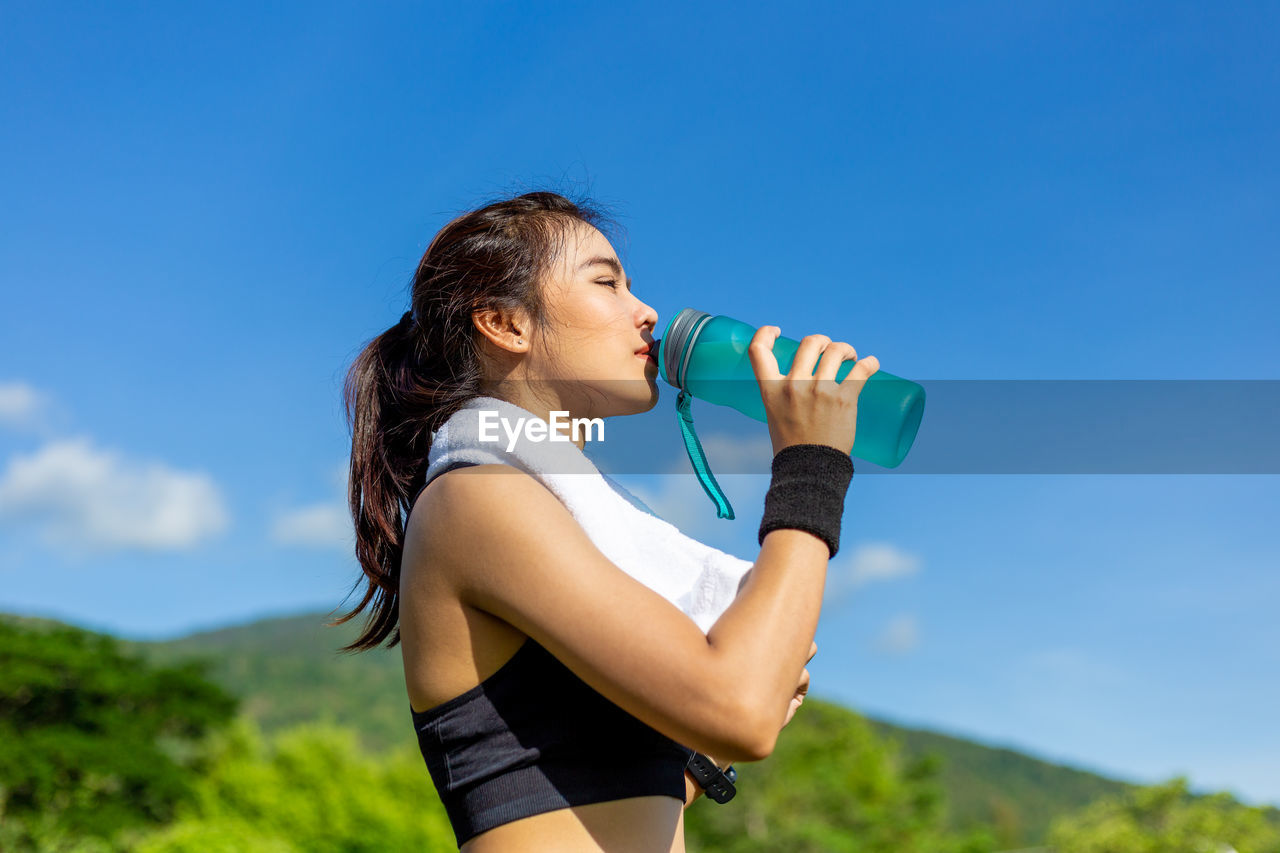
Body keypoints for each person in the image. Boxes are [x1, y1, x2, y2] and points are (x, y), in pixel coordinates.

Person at [334, 190, 879, 851]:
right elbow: (741, 711)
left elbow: (580, 793)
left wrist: (695, 748)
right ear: (506, 323)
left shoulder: (562, 515)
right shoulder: (476, 499)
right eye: (606, 282)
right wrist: (811, 466)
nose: (646, 311)